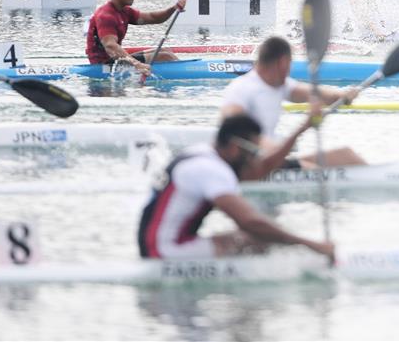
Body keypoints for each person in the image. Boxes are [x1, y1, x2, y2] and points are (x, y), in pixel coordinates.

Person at [138, 114, 335, 262]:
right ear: (234, 148)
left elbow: (260, 171)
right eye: (253, 152)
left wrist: (302, 129)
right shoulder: (211, 170)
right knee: (257, 238)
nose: (255, 159)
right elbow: (250, 222)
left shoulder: (204, 153)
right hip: (164, 252)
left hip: (156, 244)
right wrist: (310, 244)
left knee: (254, 237)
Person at [221, 36, 365, 174]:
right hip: (247, 168)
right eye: (290, 64)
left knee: (346, 156)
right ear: (283, 63)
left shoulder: (280, 84)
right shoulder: (241, 88)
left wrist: (341, 95)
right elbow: (230, 128)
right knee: (316, 171)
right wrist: (272, 146)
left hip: (271, 160)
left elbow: (316, 93)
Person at [85, 0, 187, 76]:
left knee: (165, 50)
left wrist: (174, 8)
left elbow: (153, 17)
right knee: (165, 57)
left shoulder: (125, 11)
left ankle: (182, 70)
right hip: (103, 66)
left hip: (115, 60)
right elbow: (110, 46)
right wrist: (138, 65)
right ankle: (186, 73)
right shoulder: (106, 16)